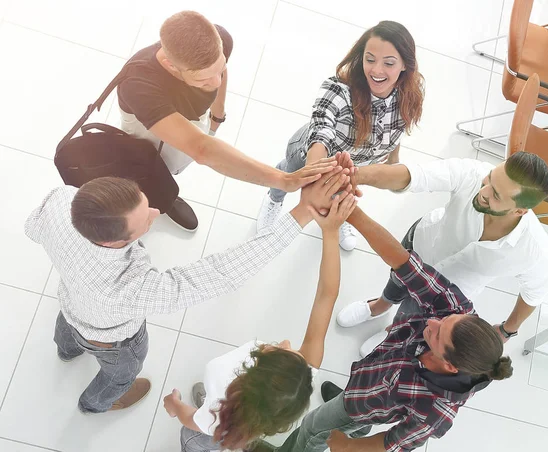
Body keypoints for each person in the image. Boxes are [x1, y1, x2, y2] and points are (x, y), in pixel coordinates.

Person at [24, 164, 351, 414]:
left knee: (67, 331)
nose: (155, 212)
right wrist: (303, 212)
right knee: (120, 376)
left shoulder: (61, 200)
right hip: (113, 342)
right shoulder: (132, 289)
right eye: (146, 221)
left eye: (146, 204)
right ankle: (95, 404)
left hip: (70, 306)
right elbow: (221, 273)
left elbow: (31, 227)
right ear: (113, 241)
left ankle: (67, 352)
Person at [273, 204, 513, 452]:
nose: (432, 321)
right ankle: (357, 420)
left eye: (438, 333)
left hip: (359, 406)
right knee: (346, 412)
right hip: (370, 382)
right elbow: (405, 263)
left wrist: (347, 446)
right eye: (444, 320)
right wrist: (351, 212)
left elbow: (392, 443)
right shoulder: (457, 310)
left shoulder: (436, 411)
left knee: (312, 427)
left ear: (450, 365)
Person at [162, 192, 358, 452]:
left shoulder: (222, 400)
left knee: (196, 438)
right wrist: (330, 233)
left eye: (280, 348)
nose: (288, 342)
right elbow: (326, 295)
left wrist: (175, 405)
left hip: (212, 426)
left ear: (257, 365)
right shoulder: (305, 370)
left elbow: (194, 422)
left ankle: (206, 409)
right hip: (228, 420)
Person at [117, 11, 335, 231]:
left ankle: (165, 189)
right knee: (149, 171)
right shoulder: (138, 85)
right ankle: (152, 200)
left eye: (219, 69)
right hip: (151, 132)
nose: (215, 82)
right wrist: (283, 180)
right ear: (171, 65)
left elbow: (220, 73)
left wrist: (217, 113)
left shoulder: (218, 40)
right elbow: (201, 149)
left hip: (191, 121)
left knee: (172, 168)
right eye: (202, 79)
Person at [337, 152, 548, 355]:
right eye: (489, 178)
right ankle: (380, 305)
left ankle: (392, 330)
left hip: (445, 294)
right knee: (396, 280)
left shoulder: (535, 251)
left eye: (495, 195)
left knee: (414, 316)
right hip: (422, 245)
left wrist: (507, 330)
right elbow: (414, 175)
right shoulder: (472, 174)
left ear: (520, 211)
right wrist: (356, 176)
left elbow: (534, 293)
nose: (483, 191)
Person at [257, 20, 425, 251]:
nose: (376, 70)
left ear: (405, 64)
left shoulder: (409, 96)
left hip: (353, 167)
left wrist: (392, 161)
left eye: (388, 63)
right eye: (370, 59)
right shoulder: (339, 89)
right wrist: (314, 180)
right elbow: (320, 133)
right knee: (288, 173)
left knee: (342, 191)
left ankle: (342, 211)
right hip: (307, 153)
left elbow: (397, 129)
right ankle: (274, 199)